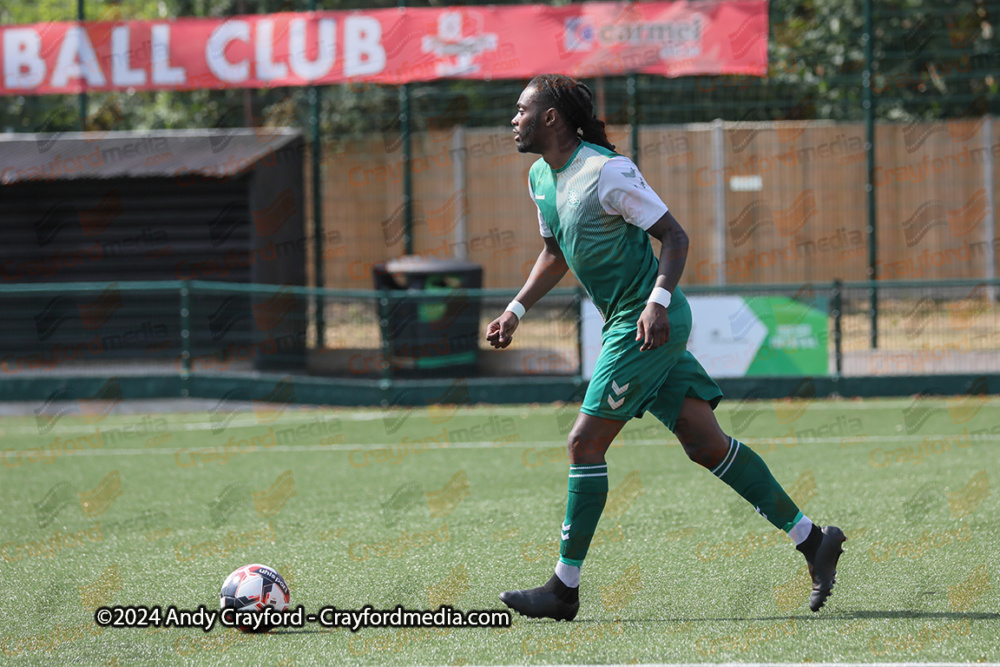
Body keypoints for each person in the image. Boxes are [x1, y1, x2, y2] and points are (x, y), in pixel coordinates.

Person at [486, 74, 845, 621]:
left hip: (647, 322)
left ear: (551, 117)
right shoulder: (539, 178)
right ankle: (813, 540)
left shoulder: (607, 171)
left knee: (585, 443)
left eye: (521, 110)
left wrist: (657, 300)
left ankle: (564, 588)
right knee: (707, 445)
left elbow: (674, 236)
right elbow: (554, 253)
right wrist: (515, 310)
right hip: (626, 325)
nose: (514, 119)